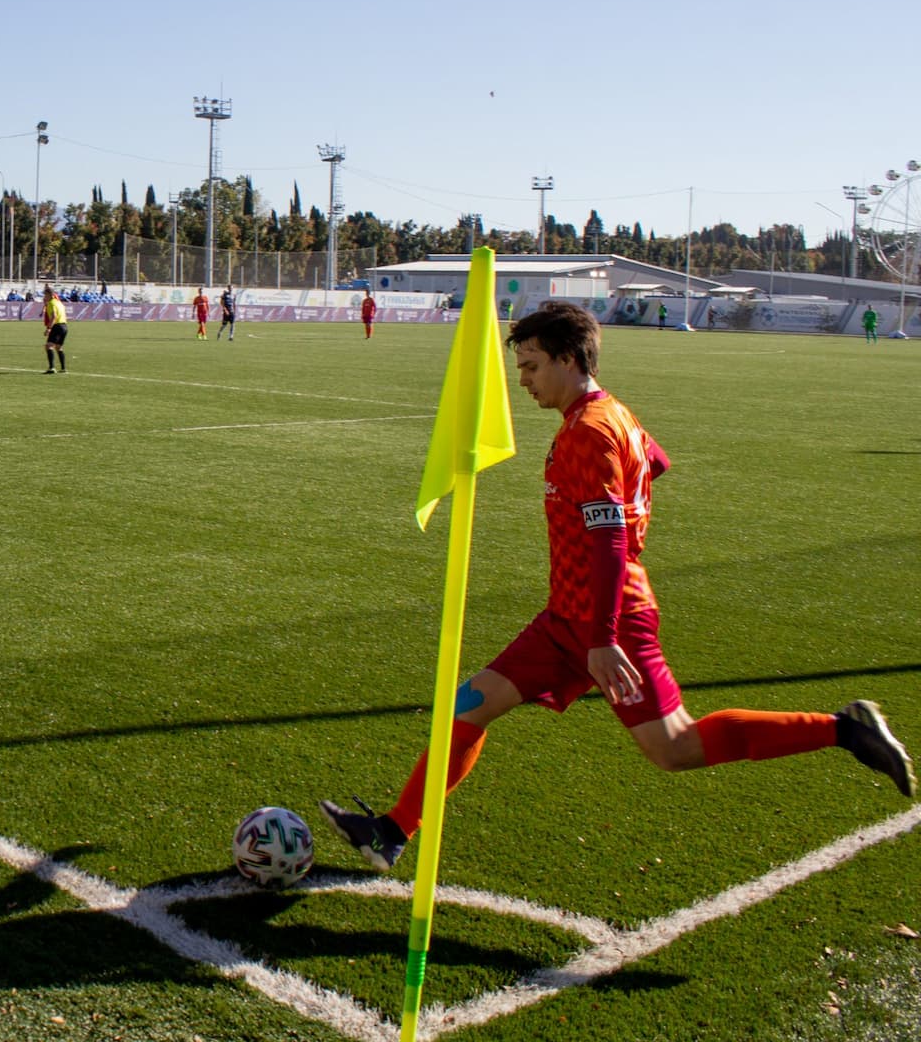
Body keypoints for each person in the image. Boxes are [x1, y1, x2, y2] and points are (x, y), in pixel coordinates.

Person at [319, 302, 914, 873]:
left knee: (673, 748)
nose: (522, 381)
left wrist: (603, 637)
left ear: (569, 360)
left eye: (530, 367)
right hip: (567, 618)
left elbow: (606, 541)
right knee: (469, 704)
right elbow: (656, 460)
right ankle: (392, 832)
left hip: (611, 620)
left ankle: (846, 729)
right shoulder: (610, 416)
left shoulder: (590, 434)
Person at [42, 283, 68, 374]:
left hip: (57, 325)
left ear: (50, 295)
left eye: (45, 295)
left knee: (49, 346)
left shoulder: (51, 303)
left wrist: (49, 328)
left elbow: (53, 316)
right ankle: (63, 368)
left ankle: (52, 368)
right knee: (59, 347)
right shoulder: (59, 303)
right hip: (64, 326)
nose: (44, 297)